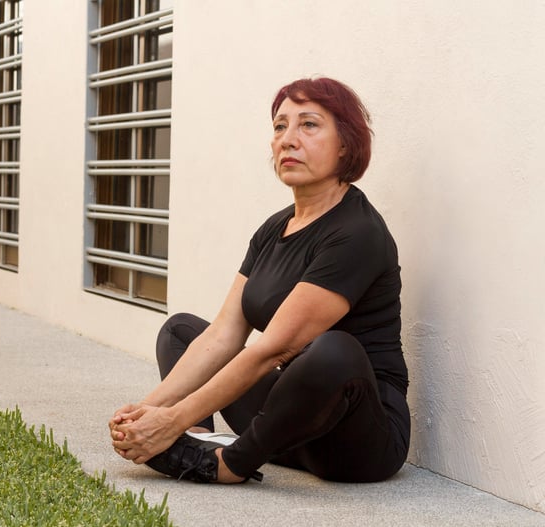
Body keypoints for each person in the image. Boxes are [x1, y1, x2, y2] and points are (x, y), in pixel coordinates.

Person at [108, 77, 410, 485]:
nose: (288, 139)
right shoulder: (274, 228)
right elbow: (224, 334)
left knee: (332, 351)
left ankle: (228, 464)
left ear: (345, 144)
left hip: (353, 439)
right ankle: (191, 439)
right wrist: (146, 412)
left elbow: (274, 348)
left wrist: (171, 416)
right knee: (181, 331)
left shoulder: (358, 232)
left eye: (308, 125)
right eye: (280, 126)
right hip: (285, 424)